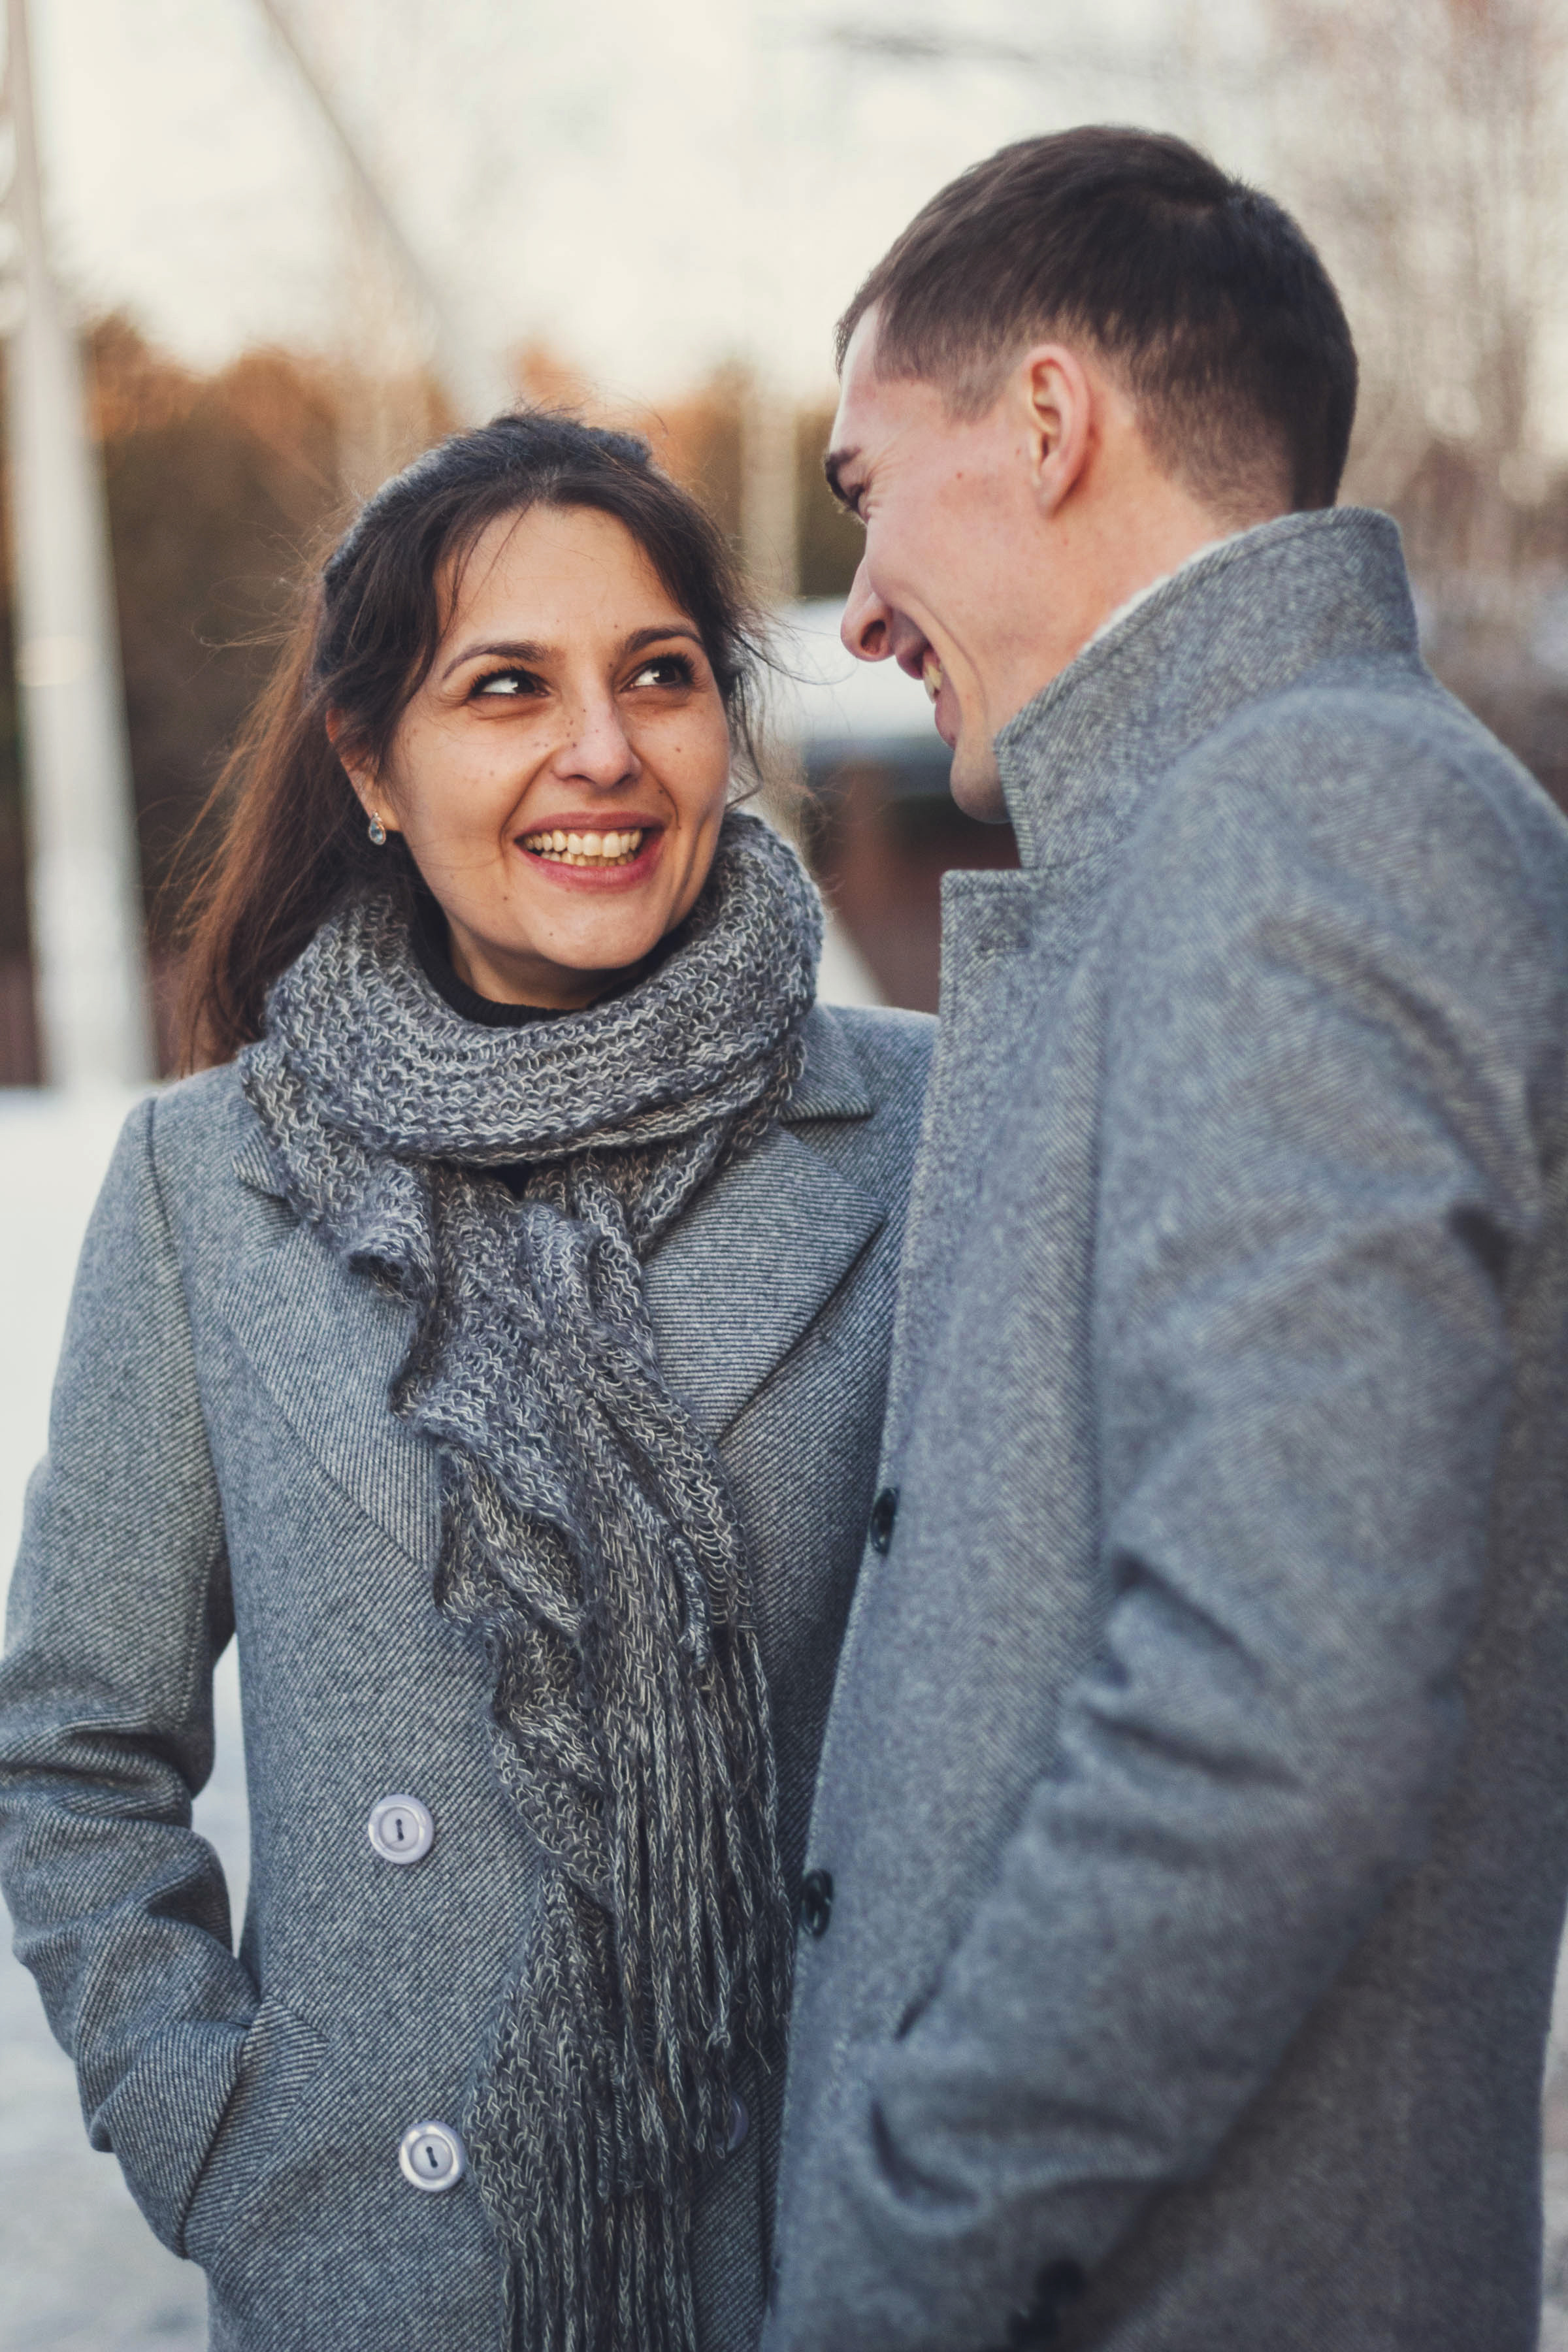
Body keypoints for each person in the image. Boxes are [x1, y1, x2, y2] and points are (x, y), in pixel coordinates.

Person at [0, 411, 932, 2352]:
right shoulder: (207, 1184)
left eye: (658, 677)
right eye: (506, 687)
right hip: (381, 2275)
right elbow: (77, 1749)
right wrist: (226, 2143)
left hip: (827, 2266)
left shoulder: (924, 1131)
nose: (602, 751)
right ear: (370, 765)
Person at [764, 126, 1568, 2352]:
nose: (854, 611)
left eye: (863, 487)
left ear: (1046, 420)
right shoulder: (1236, 834)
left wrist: (898, 2244)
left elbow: (1273, 1706)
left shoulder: (1309, 824)